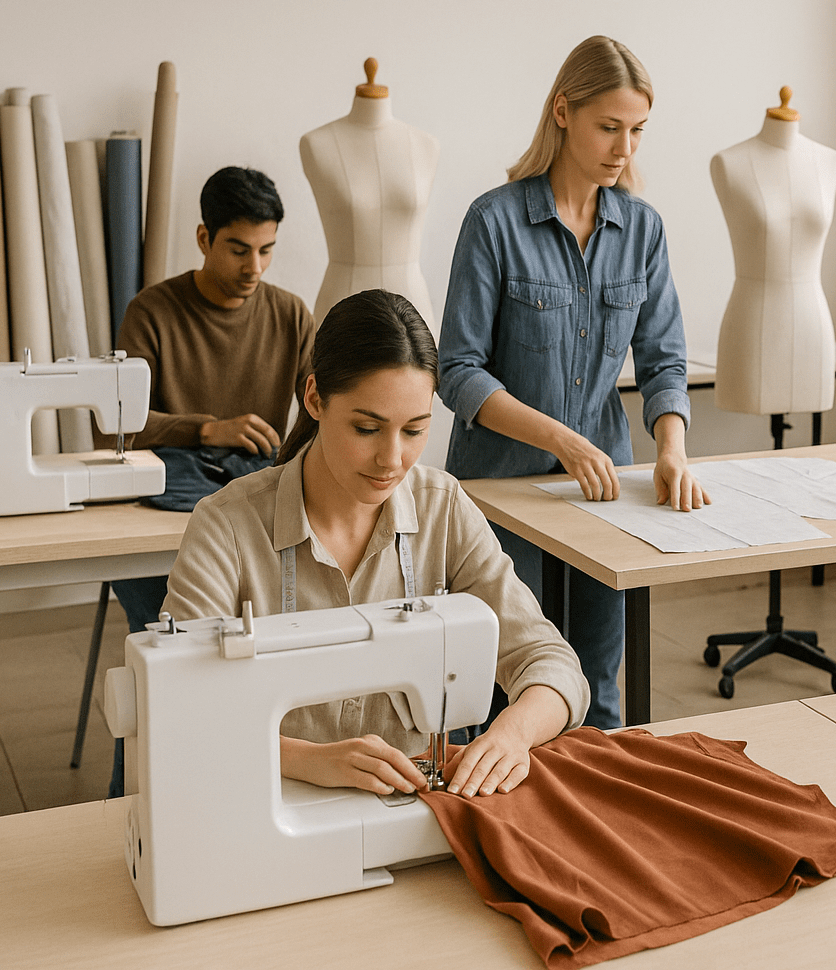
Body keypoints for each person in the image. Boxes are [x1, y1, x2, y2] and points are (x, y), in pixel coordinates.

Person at [162, 291, 588, 797]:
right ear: (315, 398)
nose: (392, 458)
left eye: (414, 430)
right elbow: (176, 704)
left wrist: (511, 734)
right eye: (367, 428)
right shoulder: (228, 527)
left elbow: (550, 661)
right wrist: (307, 759)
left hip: (409, 804)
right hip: (264, 802)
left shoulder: (442, 510)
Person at [438, 35, 707, 730]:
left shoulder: (642, 230)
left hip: (602, 496)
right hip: (501, 494)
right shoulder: (493, 221)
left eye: (638, 131)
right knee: (506, 695)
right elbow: (458, 370)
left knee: (597, 691)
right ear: (563, 112)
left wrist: (672, 450)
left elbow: (664, 360)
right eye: (609, 127)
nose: (625, 149)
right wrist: (561, 439)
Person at [106, 167, 315, 634]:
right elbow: (117, 429)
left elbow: (321, 412)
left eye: (266, 250)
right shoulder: (151, 313)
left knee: (279, 614)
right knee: (179, 630)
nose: (254, 267)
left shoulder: (291, 315)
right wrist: (205, 430)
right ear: (204, 239)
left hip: (254, 495)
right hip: (167, 505)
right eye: (239, 250)